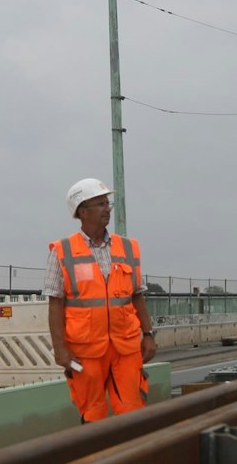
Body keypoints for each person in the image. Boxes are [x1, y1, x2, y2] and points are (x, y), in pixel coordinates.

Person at [46, 178, 158, 421]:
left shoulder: (128, 248)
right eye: (100, 204)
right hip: (85, 350)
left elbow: (136, 295)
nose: (107, 208)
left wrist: (148, 334)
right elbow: (55, 304)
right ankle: (98, 458)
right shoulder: (62, 251)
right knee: (92, 413)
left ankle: (129, 458)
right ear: (82, 211)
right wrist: (60, 350)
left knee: (132, 413)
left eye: (108, 203)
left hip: (126, 347)